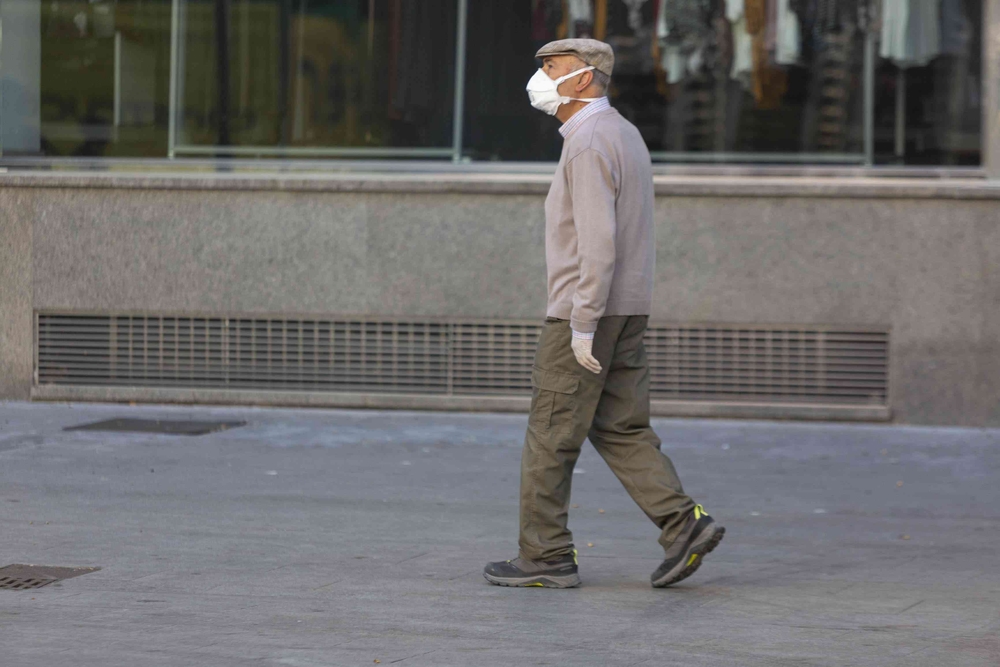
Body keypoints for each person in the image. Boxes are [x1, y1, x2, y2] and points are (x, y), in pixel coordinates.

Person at [483, 39, 724, 589]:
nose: (539, 77)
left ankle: (543, 555)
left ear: (584, 80)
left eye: (551, 69)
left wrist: (581, 323)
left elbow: (598, 243)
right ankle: (683, 524)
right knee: (620, 426)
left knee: (551, 431)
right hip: (628, 307)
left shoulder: (588, 142)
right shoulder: (622, 133)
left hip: (586, 312)